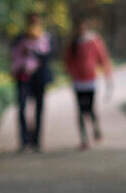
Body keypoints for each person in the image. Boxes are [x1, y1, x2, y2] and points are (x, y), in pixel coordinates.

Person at [63, 17, 114, 151]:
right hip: (77, 81)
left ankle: (96, 128)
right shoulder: (73, 44)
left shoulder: (94, 41)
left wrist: (108, 75)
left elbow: (103, 58)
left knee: (90, 108)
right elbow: (67, 62)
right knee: (80, 110)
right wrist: (71, 73)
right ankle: (84, 139)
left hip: (90, 80)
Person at [9, 12, 53, 152]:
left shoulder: (45, 38)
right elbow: (12, 56)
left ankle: (36, 140)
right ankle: (24, 140)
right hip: (23, 77)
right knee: (22, 108)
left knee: (39, 109)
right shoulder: (20, 39)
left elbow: (48, 57)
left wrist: (34, 52)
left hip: (39, 77)